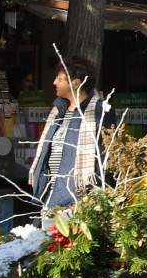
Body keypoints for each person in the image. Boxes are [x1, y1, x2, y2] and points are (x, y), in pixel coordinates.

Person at [27, 57, 110, 214]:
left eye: (59, 79)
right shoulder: (58, 110)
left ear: (76, 83)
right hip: (51, 193)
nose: (54, 83)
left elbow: (105, 157)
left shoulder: (99, 112)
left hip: (78, 199)